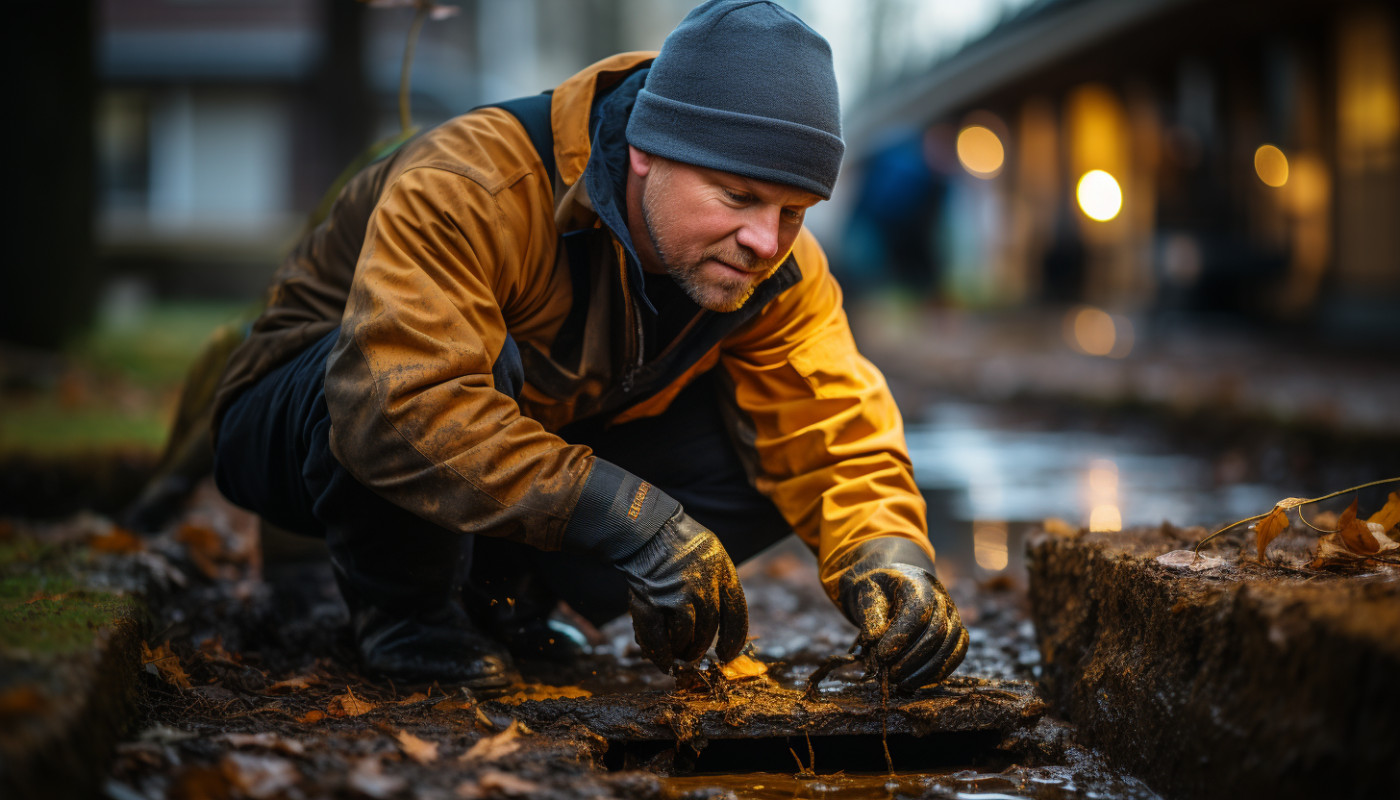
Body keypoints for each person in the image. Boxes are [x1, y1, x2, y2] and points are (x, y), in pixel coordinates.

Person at [210, 0, 967, 692]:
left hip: (534, 431)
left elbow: (831, 425)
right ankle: (409, 617)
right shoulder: (474, 182)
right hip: (308, 419)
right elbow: (402, 400)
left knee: (763, 436)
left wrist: (889, 555)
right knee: (466, 369)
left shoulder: (776, 268)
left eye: (795, 209)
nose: (765, 240)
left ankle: (517, 601)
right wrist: (636, 520)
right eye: (737, 197)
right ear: (645, 150)